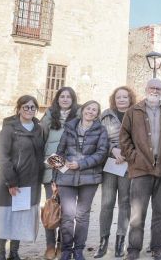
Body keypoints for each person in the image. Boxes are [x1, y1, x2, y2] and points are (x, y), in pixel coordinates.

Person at [120, 79, 161, 260]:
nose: (155, 90)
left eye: (158, 88)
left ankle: (156, 247)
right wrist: (133, 157)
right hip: (141, 169)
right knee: (137, 212)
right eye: (152, 87)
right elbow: (124, 136)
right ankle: (134, 249)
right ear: (146, 89)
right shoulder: (133, 111)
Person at [0, 95, 45, 260]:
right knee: (5, 218)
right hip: (10, 181)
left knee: (20, 217)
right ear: (19, 108)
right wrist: (11, 182)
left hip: (30, 182)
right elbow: (2, 157)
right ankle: (0, 253)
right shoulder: (9, 129)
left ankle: (14, 253)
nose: (29, 110)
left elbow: (40, 155)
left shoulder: (39, 129)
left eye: (32, 107)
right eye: (26, 107)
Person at [56, 100, 110, 260]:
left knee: (82, 215)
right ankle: (66, 250)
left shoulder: (101, 130)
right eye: (88, 108)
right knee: (67, 215)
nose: (91, 111)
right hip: (66, 177)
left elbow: (101, 153)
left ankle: (78, 249)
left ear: (97, 114)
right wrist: (56, 177)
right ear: (82, 110)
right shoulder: (69, 127)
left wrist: (80, 164)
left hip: (89, 177)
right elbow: (60, 151)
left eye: (94, 110)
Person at [97, 86, 136, 258]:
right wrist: (113, 149)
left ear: (130, 99)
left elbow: (140, 139)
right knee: (107, 203)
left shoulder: (136, 114)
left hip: (128, 164)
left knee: (125, 202)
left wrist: (126, 154)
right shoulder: (105, 115)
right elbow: (99, 138)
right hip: (110, 164)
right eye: (118, 97)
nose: (121, 100)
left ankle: (120, 241)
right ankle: (103, 241)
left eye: (125, 97)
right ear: (114, 99)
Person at [40, 87, 79, 260]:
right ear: (57, 99)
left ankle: (62, 244)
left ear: (73, 99)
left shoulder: (78, 116)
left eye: (68, 97)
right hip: (51, 168)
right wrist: (51, 163)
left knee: (66, 212)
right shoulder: (49, 116)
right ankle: (49, 245)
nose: (65, 99)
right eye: (62, 96)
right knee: (51, 208)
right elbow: (41, 140)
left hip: (70, 169)